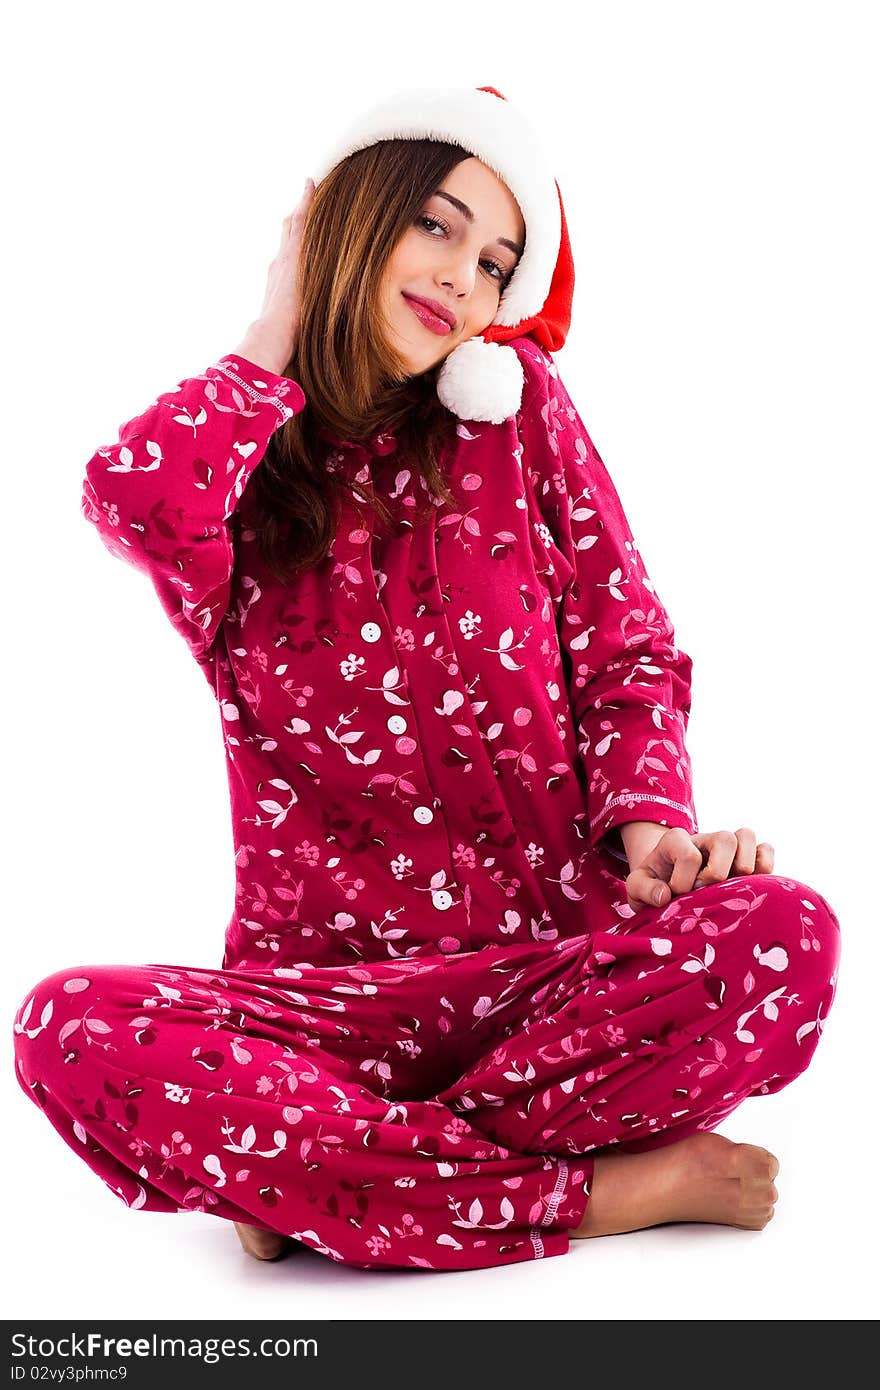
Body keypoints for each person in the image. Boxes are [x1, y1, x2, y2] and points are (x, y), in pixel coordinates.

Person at [12, 86, 840, 1273]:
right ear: (352, 221)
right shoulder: (239, 464)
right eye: (436, 227)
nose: (462, 278)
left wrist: (649, 824)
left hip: (549, 986)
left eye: (496, 263)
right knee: (64, 1025)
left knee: (783, 932)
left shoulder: (518, 419)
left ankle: (318, 1177)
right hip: (319, 1012)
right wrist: (273, 331)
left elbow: (626, 648)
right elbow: (131, 497)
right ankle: (600, 1191)